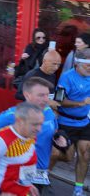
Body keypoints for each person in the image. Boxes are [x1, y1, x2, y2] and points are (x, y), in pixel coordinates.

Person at [0, 77, 61, 192]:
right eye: (41, 95)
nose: (46, 99)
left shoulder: (49, 112)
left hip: (40, 172)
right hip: (17, 171)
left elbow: (55, 133)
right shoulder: (13, 114)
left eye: (48, 95)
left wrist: (62, 140)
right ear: (27, 95)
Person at [50, 47, 90, 196]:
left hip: (84, 122)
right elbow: (58, 101)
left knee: (85, 154)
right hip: (66, 122)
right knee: (66, 156)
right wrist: (81, 103)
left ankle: (78, 189)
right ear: (77, 64)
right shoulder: (66, 77)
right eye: (88, 65)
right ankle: (42, 174)